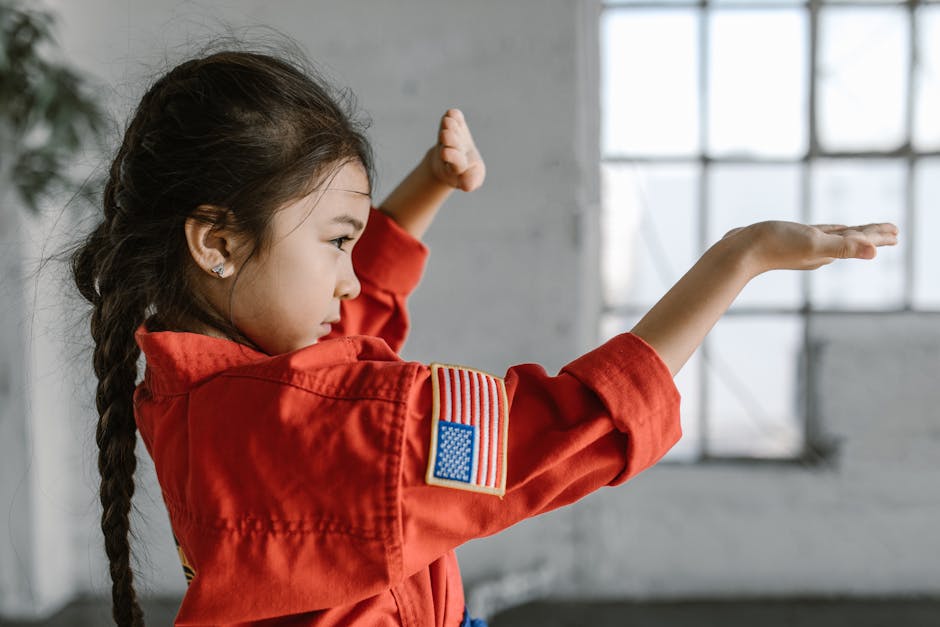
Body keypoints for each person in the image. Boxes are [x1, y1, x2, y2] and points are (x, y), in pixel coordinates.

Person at [70, 48, 898, 627]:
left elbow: (339, 343)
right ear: (215, 242)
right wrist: (738, 257)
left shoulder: (199, 389)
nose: (351, 276)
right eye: (334, 241)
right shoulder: (319, 430)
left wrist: (430, 184)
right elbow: (563, 424)